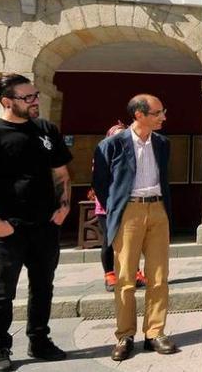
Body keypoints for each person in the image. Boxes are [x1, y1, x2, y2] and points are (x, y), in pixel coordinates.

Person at [0, 73, 72, 372]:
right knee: (2, 292)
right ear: (7, 101)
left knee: (43, 286)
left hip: (46, 225)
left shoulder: (46, 130)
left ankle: (39, 340)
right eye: (28, 97)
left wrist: (63, 207)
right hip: (8, 229)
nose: (35, 101)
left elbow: (61, 174)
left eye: (35, 95)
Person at [92, 94, 178, 361]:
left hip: (158, 209)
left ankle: (155, 333)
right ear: (139, 115)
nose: (163, 117)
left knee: (159, 276)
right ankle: (125, 335)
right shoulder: (111, 145)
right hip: (129, 210)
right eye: (158, 112)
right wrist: (119, 208)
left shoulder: (163, 143)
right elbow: (101, 183)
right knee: (126, 277)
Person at [88, 121, 146, 292]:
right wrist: (109, 204)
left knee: (131, 240)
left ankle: (134, 272)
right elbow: (99, 181)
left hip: (129, 204)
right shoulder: (103, 152)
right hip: (107, 206)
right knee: (109, 239)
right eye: (117, 134)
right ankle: (110, 275)